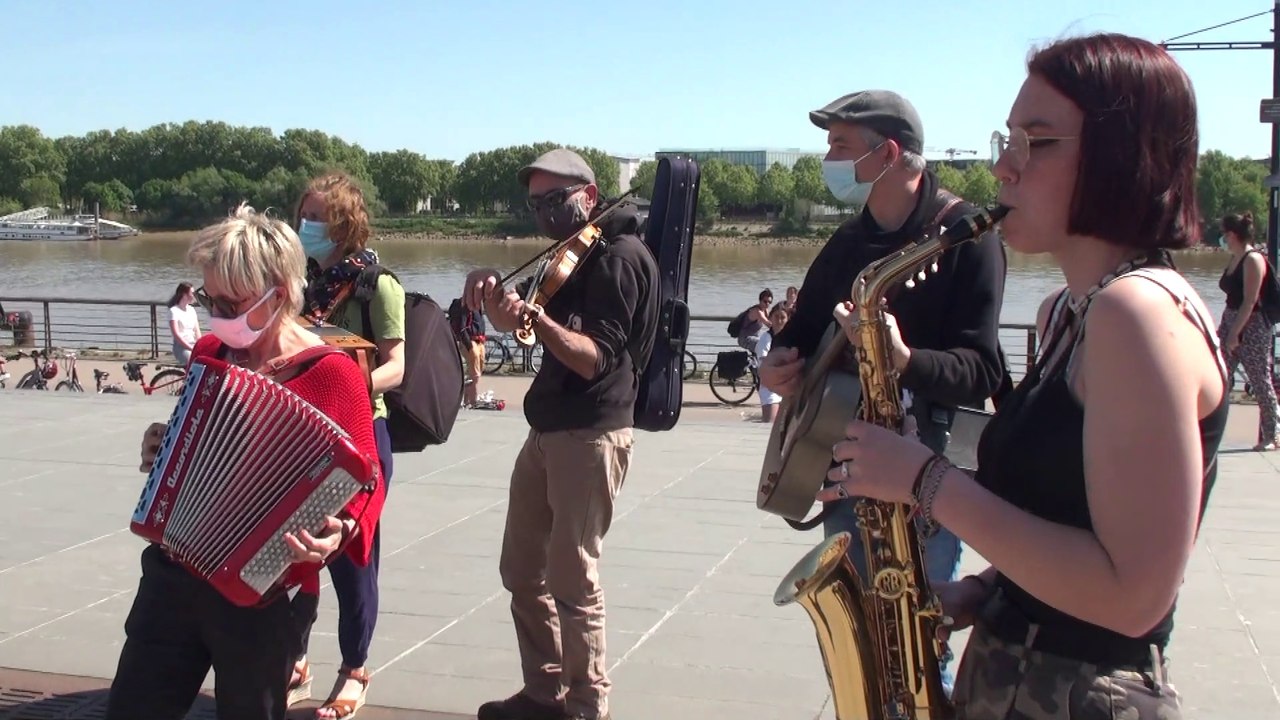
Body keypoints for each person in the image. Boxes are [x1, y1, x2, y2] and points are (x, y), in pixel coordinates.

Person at [820, 33, 1227, 718]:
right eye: (1004, 139)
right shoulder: (1073, 311)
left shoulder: (1135, 316)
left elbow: (1132, 599)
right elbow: (1072, 519)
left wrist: (923, 479)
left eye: (1033, 144)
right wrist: (986, 594)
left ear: (1120, 155)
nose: (1003, 170)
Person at [758, 88, 1007, 693]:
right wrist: (778, 367)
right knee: (856, 655)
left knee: (914, 652)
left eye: (840, 146)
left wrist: (905, 360)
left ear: (888, 153)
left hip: (930, 471)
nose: (828, 159)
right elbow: (798, 332)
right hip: (845, 464)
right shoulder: (848, 242)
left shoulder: (966, 237)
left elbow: (983, 370)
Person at [105, 203, 386, 720]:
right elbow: (196, 439)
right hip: (175, 572)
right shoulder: (211, 351)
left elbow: (368, 481)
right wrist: (164, 447)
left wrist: (340, 530)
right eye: (212, 298)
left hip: (265, 592)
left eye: (231, 303)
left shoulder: (332, 375)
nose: (218, 314)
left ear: (277, 295)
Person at [461, 147, 659, 720]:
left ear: (589, 196)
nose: (544, 212)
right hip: (547, 429)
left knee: (573, 579)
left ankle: (587, 706)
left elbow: (594, 357)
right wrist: (502, 304)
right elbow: (528, 333)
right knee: (522, 570)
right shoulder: (572, 253)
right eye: (534, 203)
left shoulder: (621, 257)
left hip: (592, 432)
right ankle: (544, 693)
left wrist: (536, 318)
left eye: (554, 199)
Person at [290, 172, 406, 719]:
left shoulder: (376, 285)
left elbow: (397, 368)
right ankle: (295, 660)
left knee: (353, 556)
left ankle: (355, 667)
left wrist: (348, 383)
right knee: (294, 553)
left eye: (316, 217)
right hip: (302, 430)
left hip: (361, 431)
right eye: (303, 214)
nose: (305, 225)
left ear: (342, 224)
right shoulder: (300, 283)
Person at [1217, 211, 1279, 450]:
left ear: (1232, 234)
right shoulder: (1234, 258)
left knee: (1259, 379)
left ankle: (1272, 435)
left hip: (1251, 326)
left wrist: (1235, 332)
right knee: (1220, 376)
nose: (1221, 238)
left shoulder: (1253, 259)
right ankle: (1209, 431)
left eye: (1223, 233)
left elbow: (1250, 300)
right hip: (1230, 319)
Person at [448, 296, 488, 407]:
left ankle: (466, 400)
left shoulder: (478, 305)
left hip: (479, 341)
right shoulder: (466, 305)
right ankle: (473, 401)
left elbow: (480, 323)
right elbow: (462, 327)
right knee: (475, 374)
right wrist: (469, 346)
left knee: (477, 371)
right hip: (470, 342)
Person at [755, 303, 790, 423]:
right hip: (770, 386)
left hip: (789, 385)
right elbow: (763, 362)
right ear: (770, 318)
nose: (779, 320)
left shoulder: (791, 338)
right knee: (770, 421)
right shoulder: (766, 339)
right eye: (776, 317)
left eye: (782, 317)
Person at [167, 281, 201, 366]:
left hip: (193, 344)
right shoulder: (174, 311)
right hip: (181, 347)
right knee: (193, 363)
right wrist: (190, 348)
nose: (194, 296)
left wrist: (200, 345)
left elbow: (197, 331)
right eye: (192, 293)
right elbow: (176, 335)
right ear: (184, 295)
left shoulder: (191, 310)